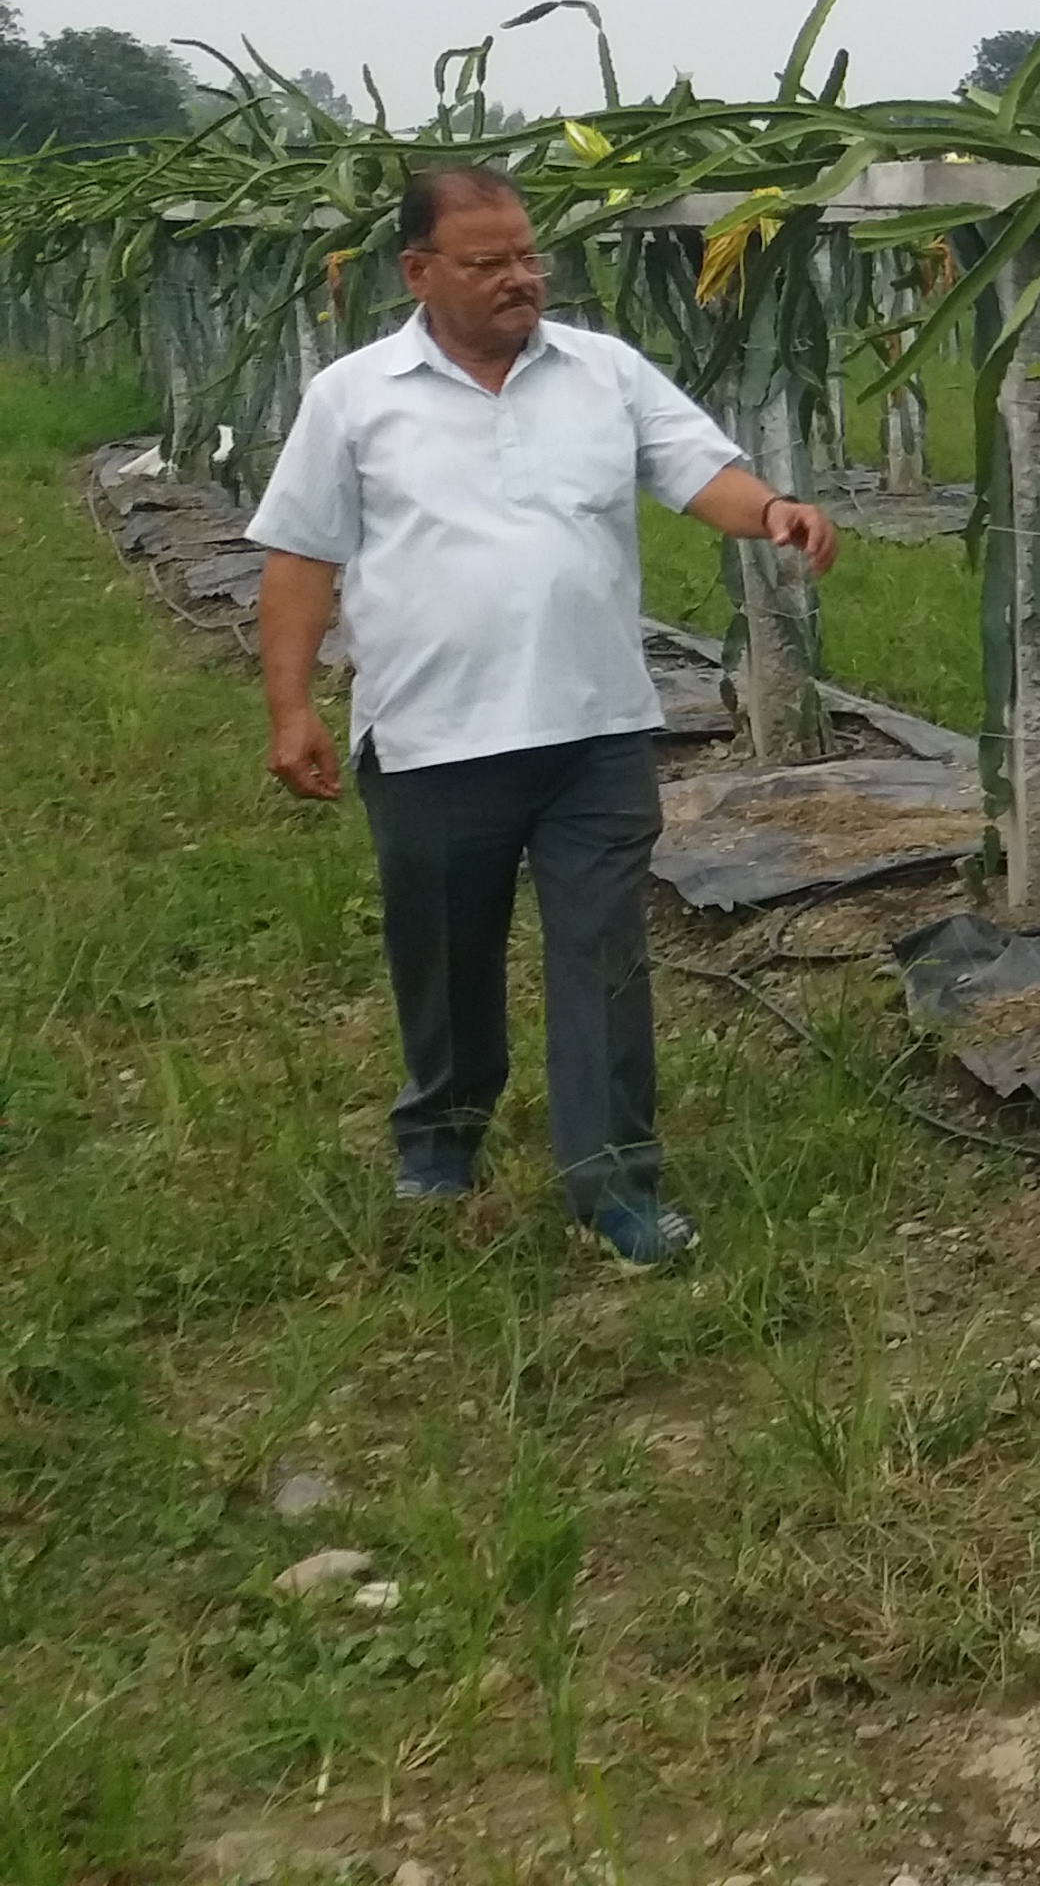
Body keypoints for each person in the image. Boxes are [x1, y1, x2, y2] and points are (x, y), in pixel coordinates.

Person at [248, 164, 838, 1268]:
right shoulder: (354, 398)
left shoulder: (602, 372)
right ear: (418, 271)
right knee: (444, 952)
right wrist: (291, 709)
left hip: (594, 728)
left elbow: (695, 468)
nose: (519, 278)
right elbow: (301, 558)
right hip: (432, 736)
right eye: (488, 263)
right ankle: (441, 1134)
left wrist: (770, 510)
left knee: (603, 957)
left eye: (528, 257)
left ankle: (614, 1182)